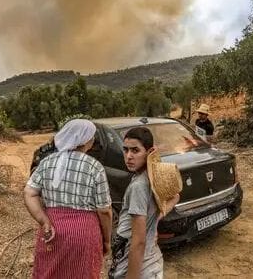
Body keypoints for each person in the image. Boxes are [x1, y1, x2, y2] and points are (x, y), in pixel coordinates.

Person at [24, 119, 112, 279]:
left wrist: (43, 220)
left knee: (50, 273)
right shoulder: (94, 167)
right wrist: (106, 240)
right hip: (84, 234)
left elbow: (29, 192)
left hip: (52, 230)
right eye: (92, 137)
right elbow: (104, 210)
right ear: (87, 141)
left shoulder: (47, 162)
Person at [109, 127, 181, 279]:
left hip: (139, 268)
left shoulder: (138, 186)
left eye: (135, 151)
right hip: (151, 262)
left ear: (149, 152)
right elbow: (175, 197)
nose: (128, 156)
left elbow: (138, 242)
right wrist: (153, 221)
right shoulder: (153, 177)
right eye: (125, 150)